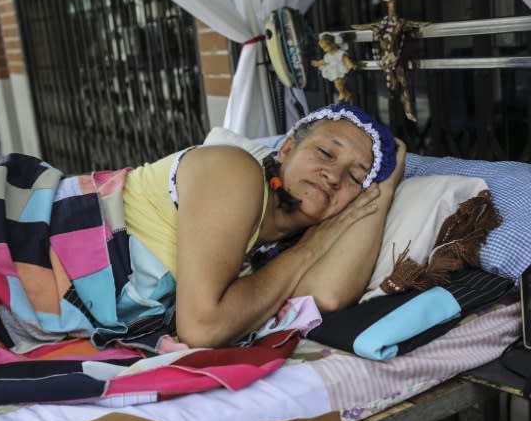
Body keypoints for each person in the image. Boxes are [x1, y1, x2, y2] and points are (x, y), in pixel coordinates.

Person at [123, 103, 406, 348]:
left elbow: (328, 295)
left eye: (355, 178)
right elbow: (202, 328)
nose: (334, 176)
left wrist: (384, 193)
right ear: (286, 148)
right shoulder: (233, 170)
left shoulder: (277, 253)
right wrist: (311, 247)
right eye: (325, 153)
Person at [311, 34, 361, 103]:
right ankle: (346, 93)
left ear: (333, 44)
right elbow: (324, 61)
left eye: (326, 47)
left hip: (342, 71)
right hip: (335, 72)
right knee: (337, 84)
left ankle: (343, 93)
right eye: (323, 48)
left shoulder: (340, 53)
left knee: (338, 83)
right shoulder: (328, 55)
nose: (325, 50)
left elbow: (346, 60)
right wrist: (317, 63)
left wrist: (351, 67)